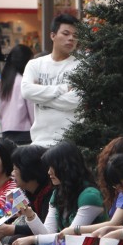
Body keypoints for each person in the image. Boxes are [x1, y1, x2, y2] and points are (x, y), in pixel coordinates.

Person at [11, 142, 105, 245]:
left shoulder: (89, 196)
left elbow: (70, 236)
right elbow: (47, 234)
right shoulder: (58, 193)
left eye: (53, 167)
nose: (49, 172)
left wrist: (33, 239)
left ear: (66, 167)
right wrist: (30, 215)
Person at [21, 14, 81, 147]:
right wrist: (64, 88)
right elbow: (26, 91)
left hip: (70, 144)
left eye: (75, 35)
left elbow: (75, 101)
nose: (71, 38)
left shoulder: (82, 66)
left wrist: (39, 97)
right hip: (39, 141)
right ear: (53, 35)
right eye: (66, 33)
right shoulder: (35, 64)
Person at [0, 144, 52, 244]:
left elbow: (46, 230)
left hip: (50, 243)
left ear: (29, 171)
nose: (12, 174)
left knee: (14, 239)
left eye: (15, 169)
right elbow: (4, 213)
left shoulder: (50, 194)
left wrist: (11, 229)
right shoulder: (22, 192)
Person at [0, 44, 35, 145]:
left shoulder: (3, 82)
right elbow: (31, 109)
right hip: (24, 131)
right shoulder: (24, 82)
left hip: (6, 131)